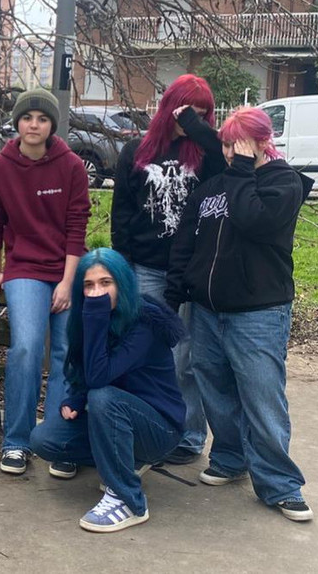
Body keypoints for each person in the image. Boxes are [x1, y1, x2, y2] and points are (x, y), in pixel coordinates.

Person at [165, 106, 315, 522]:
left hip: (258, 312)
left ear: (262, 142)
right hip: (207, 309)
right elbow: (185, 244)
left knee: (262, 396)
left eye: (239, 145)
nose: (231, 153)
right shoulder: (212, 187)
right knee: (215, 389)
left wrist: (244, 170)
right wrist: (175, 294)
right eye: (227, 145)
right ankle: (230, 458)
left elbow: (253, 221)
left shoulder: (283, 183)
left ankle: (280, 483)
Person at [110, 74, 226, 465]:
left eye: (201, 113)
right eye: (185, 110)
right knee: (147, 350)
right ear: (168, 107)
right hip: (147, 267)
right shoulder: (136, 151)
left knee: (187, 359)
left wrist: (197, 128)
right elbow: (122, 212)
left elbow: (227, 162)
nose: (190, 119)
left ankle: (189, 436)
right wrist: (123, 265)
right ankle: (150, 428)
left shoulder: (208, 154)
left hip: (193, 271)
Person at [30, 248, 187, 533]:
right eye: (88, 285)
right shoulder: (89, 317)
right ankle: (127, 461)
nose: (96, 293)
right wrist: (76, 397)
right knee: (45, 440)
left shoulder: (144, 322)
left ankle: (128, 500)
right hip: (116, 417)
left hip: (159, 428)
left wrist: (95, 314)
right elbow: (86, 370)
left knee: (102, 397)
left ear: (122, 283)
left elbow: (100, 376)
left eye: (105, 283)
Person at [0, 88, 91, 475]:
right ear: (17, 122)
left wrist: (67, 282)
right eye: (27, 118)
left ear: (51, 126)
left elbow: (77, 227)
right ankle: (17, 442)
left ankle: (60, 442)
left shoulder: (72, 166)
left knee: (65, 353)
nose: (34, 125)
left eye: (42, 119)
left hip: (66, 268)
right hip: (24, 269)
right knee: (26, 348)